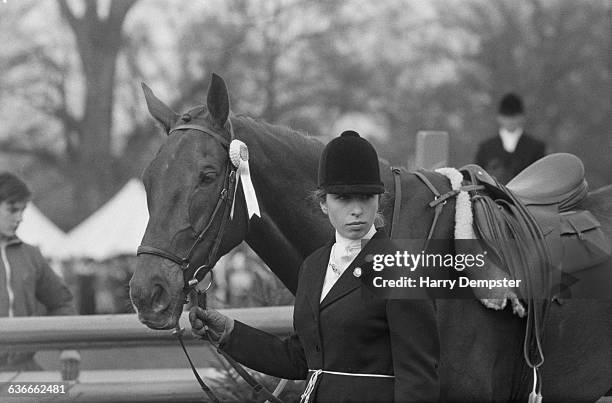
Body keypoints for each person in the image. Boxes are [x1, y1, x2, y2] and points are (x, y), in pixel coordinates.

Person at [190, 131, 440, 402]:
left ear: (379, 200)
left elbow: (419, 380)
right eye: (343, 199)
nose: (356, 209)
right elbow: (300, 359)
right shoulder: (313, 266)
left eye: (367, 197)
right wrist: (230, 333)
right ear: (323, 203)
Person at [0, 172, 80, 380]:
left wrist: (68, 345)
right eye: (12, 209)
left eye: (22, 210)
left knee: (60, 393)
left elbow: (61, 302)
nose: (19, 218)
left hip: (24, 374)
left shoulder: (31, 255)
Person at [475, 93, 546, 184]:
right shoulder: (485, 148)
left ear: (521, 117)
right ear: (499, 118)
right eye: (506, 116)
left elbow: (540, 179)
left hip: (524, 197)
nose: (510, 121)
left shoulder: (536, 148)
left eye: (514, 117)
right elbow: (477, 179)